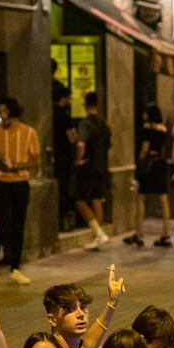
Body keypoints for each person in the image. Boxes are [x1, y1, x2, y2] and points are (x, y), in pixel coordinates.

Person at [0, 97, 40, 285]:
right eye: (0, 112)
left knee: (18, 225)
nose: (2, 116)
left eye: (5, 112)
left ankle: (15, 268)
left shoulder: (29, 132)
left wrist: (18, 165)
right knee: (0, 225)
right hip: (1, 182)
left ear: (13, 112)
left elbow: (36, 160)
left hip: (20, 182)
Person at [127, 104, 172, 248]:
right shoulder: (164, 129)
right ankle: (165, 234)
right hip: (161, 164)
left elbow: (145, 148)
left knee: (141, 198)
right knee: (164, 199)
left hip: (149, 165)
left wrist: (140, 161)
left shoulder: (147, 128)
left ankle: (138, 232)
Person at [74, 92, 112, 250]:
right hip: (101, 166)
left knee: (80, 200)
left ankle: (99, 233)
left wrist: (78, 159)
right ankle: (98, 236)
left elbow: (81, 143)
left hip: (88, 165)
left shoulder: (85, 123)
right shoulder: (104, 124)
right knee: (97, 199)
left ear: (85, 104)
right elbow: (109, 144)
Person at [51, 86, 78, 230]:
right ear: (63, 98)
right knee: (64, 189)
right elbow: (72, 138)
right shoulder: (63, 115)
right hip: (64, 158)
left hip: (54, 157)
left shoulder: (50, 113)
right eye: (68, 98)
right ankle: (61, 220)